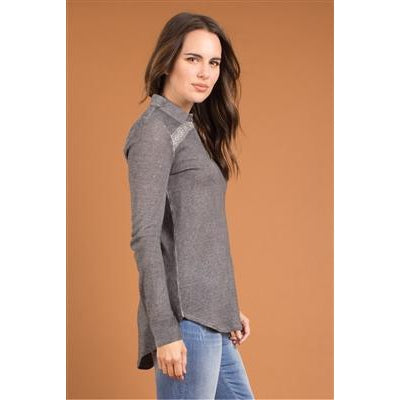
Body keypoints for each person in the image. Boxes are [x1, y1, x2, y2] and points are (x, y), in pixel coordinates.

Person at [123, 12, 255, 399]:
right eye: (193, 59)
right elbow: (146, 238)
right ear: (167, 61)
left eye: (213, 62)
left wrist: (225, 306)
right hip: (185, 322)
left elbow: (200, 232)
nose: (205, 73)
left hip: (211, 317)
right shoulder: (154, 131)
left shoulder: (189, 128)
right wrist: (164, 332)